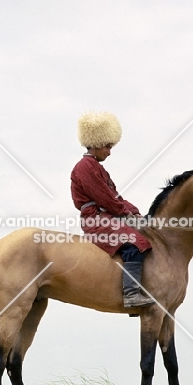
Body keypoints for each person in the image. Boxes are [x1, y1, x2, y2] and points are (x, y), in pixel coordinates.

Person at [70, 111, 154, 309]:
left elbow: (116, 197)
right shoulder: (85, 167)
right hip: (96, 220)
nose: (109, 152)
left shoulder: (97, 168)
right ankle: (131, 294)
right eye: (108, 147)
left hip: (106, 216)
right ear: (97, 143)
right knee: (137, 243)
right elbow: (106, 199)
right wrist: (126, 215)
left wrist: (136, 213)